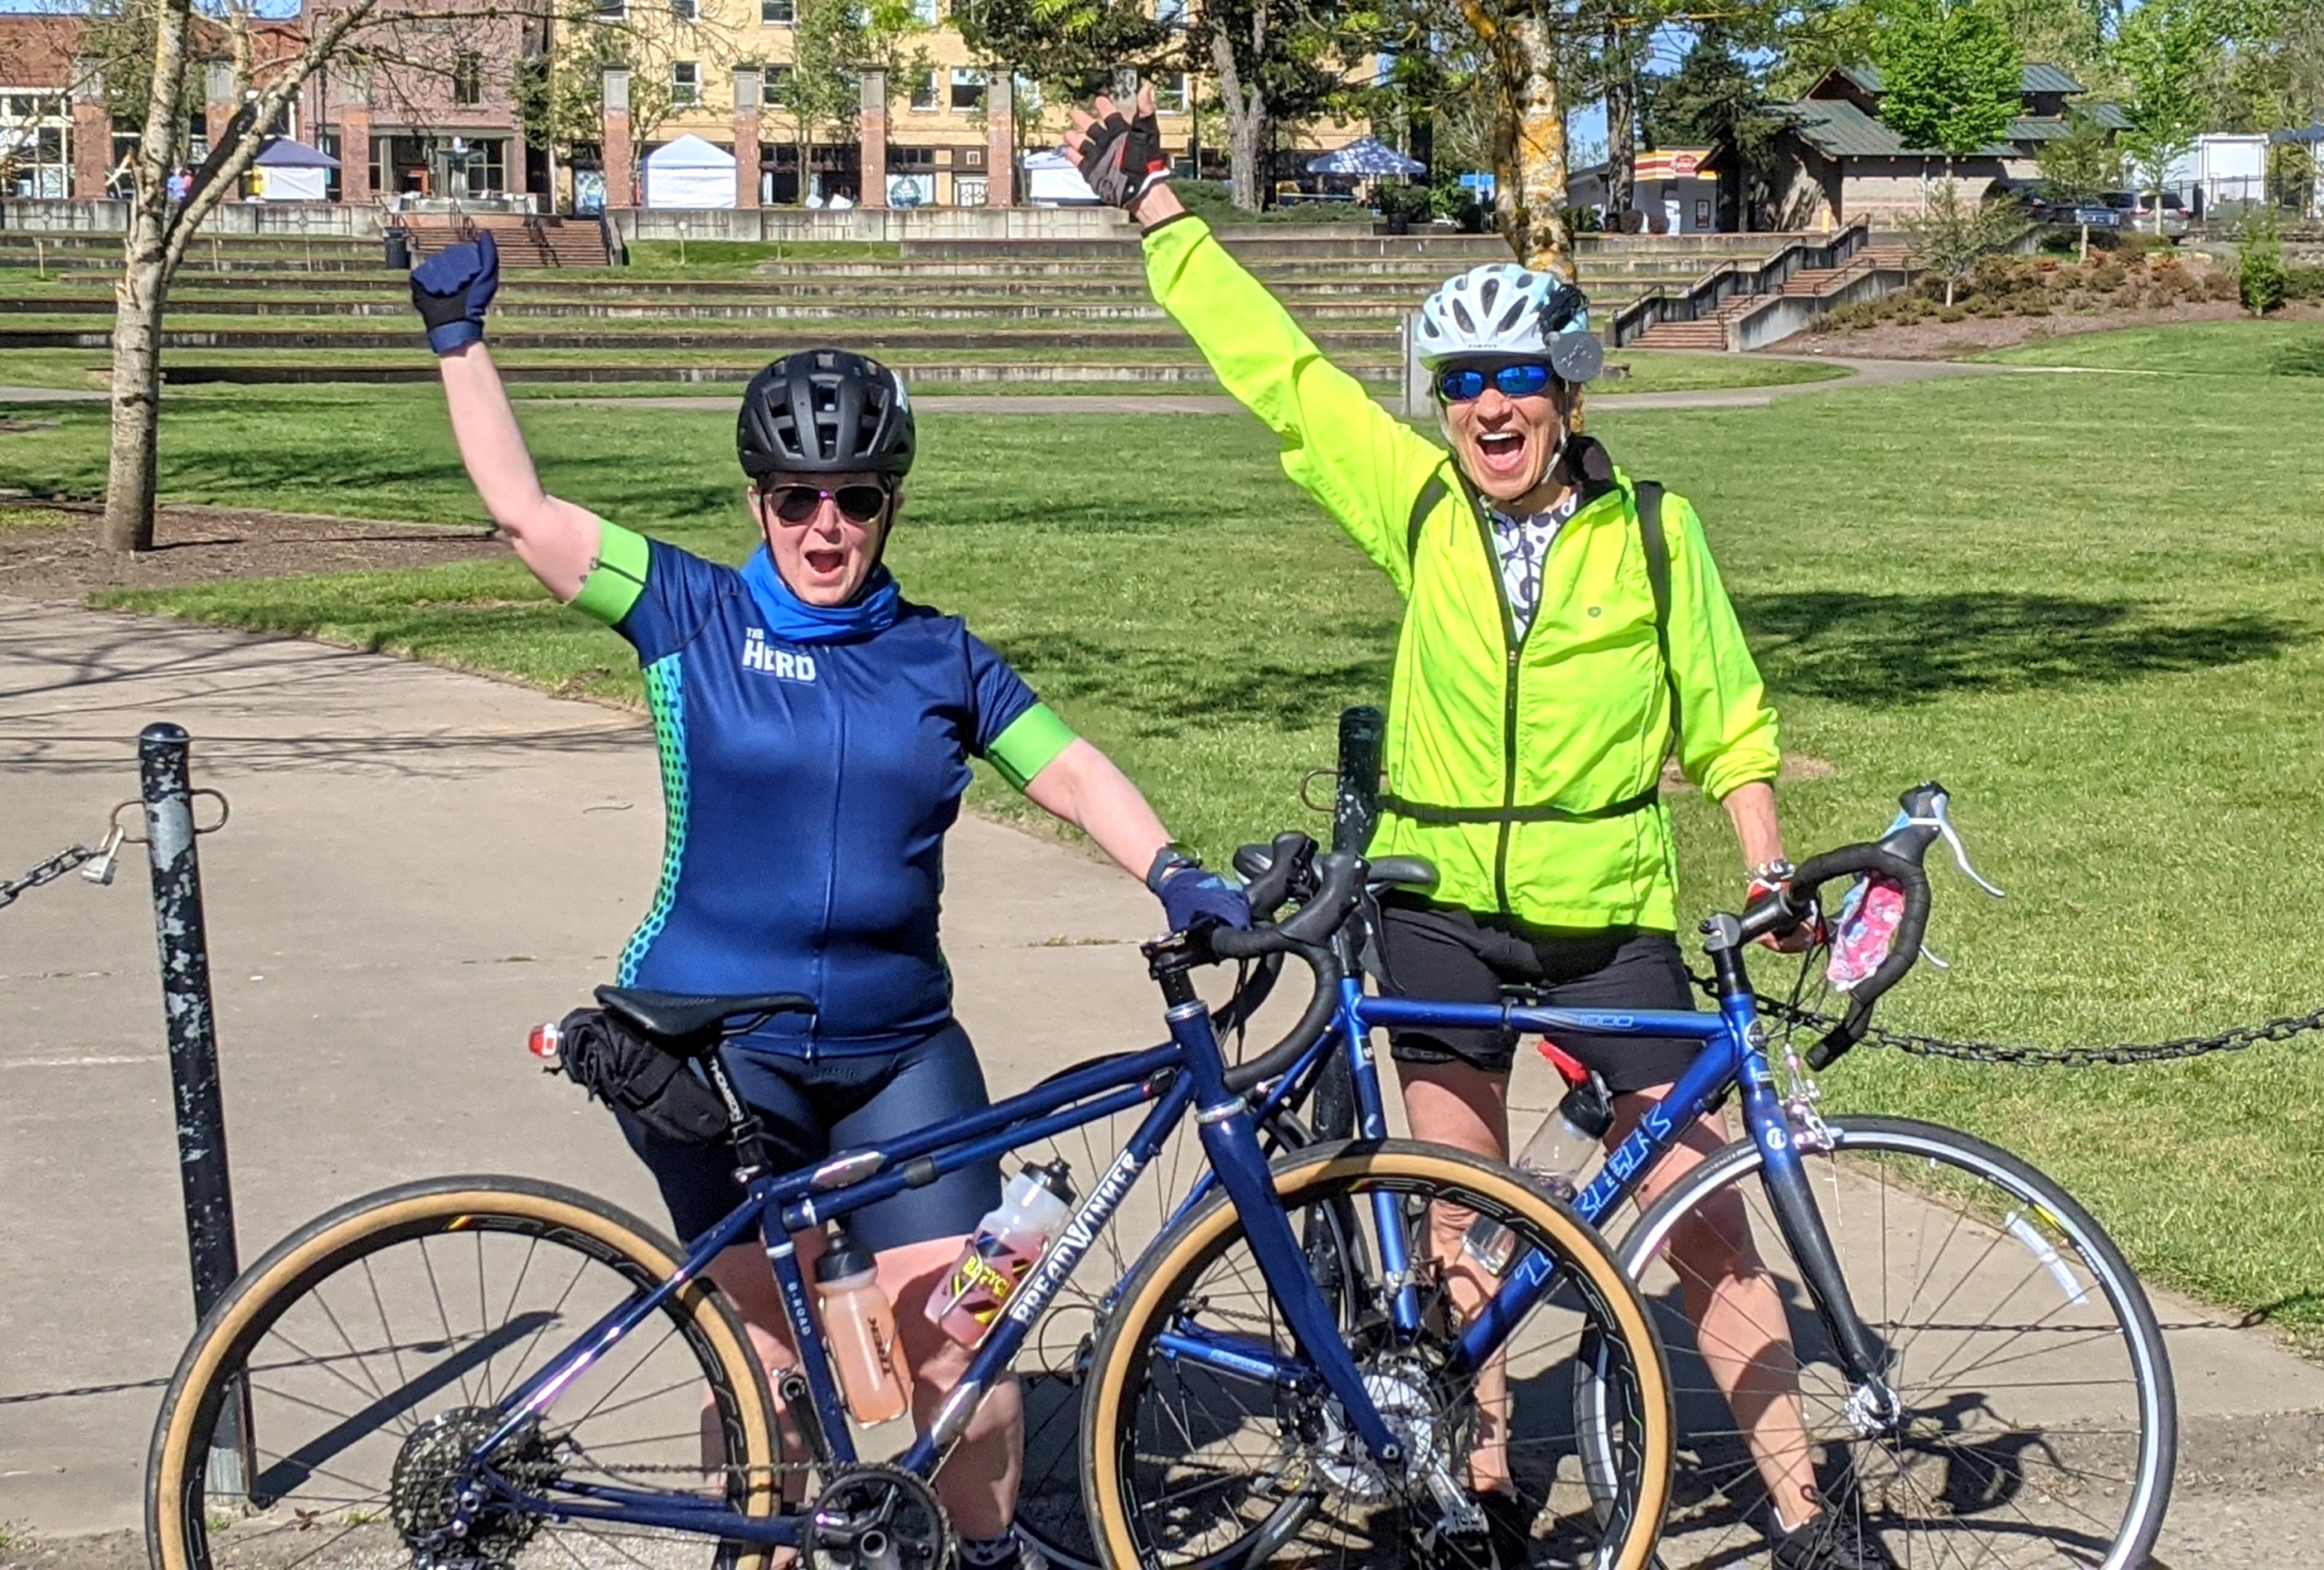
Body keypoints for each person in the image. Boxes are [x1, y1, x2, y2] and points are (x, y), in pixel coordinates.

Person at [1065, 91, 1886, 1570]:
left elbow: (1729, 716)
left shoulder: (1654, 529)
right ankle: (1485, 1491)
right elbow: (1287, 381)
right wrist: (1158, 216)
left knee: (1707, 1209)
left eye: (1517, 379)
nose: (1488, 410)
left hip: (1609, 909)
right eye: (1461, 385)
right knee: (1460, 1222)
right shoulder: (1422, 505)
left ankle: (1805, 1506)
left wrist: (1768, 867)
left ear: (1568, 391)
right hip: (1437, 898)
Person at [408, 230, 1247, 1567]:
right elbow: (525, 511)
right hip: (715, 1052)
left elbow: (1072, 769)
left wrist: (1171, 869)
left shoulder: (939, 656)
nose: (825, 528)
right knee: (768, 1372)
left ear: (889, 504)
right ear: (758, 502)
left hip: (900, 1050)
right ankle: (766, 1549)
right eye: (796, 499)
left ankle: (976, 1554)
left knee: (967, 1346)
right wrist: (459, 339)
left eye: (852, 499)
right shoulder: (684, 611)